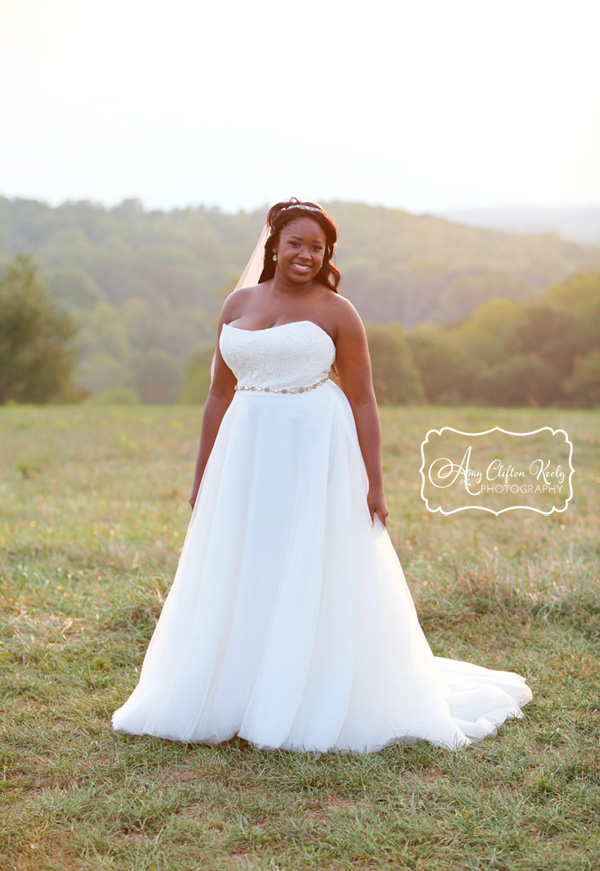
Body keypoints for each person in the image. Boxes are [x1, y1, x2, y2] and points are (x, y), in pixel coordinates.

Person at [112, 198, 532, 752]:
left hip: (314, 447)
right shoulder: (237, 302)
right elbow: (218, 395)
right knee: (248, 557)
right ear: (274, 245)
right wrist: (203, 474)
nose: (306, 255)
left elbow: (364, 402)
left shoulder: (338, 312)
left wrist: (374, 483)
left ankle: (299, 690)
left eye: (318, 247)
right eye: (296, 243)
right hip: (245, 451)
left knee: (306, 558)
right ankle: (237, 685)